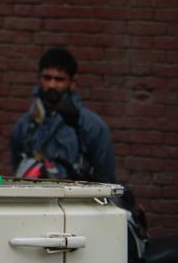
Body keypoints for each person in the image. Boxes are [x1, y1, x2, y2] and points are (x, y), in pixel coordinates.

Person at [10, 47, 115, 182]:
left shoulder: (91, 126)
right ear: (39, 79)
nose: (52, 85)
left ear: (72, 83)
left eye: (59, 79)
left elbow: (105, 179)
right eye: (47, 78)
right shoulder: (24, 126)